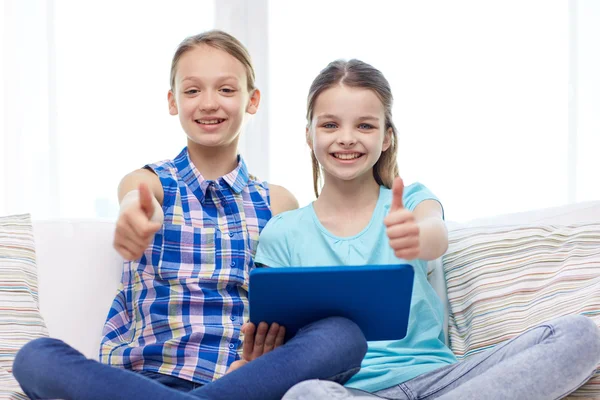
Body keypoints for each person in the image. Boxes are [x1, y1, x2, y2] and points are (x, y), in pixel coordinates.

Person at [12, 31, 367, 400]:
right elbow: (135, 195)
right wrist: (133, 213)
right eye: (193, 90)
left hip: (241, 380)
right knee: (34, 357)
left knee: (344, 335)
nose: (209, 103)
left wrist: (261, 359)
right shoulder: (154, 182)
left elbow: (288, 306)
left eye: (227, 90)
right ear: (173, 101)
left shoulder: (277, 202)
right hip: (142, 383)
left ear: (252, 100)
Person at [253, 59, 600, 400]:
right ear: (308, 135)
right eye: (330, 125)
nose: (346, 138)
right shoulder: (283, 232)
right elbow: (281, 336)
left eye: (365, 126)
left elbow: (435, 235)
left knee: (580, 334)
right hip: (348, 390)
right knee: (306, 394)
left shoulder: (413, 200)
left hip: (443, 380)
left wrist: (418, 237)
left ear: (387, 138)